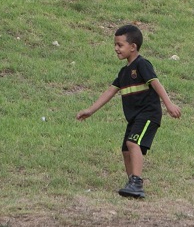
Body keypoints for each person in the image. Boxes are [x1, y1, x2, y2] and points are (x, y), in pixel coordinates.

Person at [76, 24, 181, 199]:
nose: (116, 49)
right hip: (134, 118)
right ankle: (131, 183)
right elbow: (110, 92)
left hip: (148, 114)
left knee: (133, 144)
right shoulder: (124, 72)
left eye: (120, 45)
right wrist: (90, 110)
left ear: (133, 47)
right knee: (126, 149)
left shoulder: (142, 64)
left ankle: (137, 182)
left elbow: (156, 83)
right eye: (115, 45)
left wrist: (168, 104)